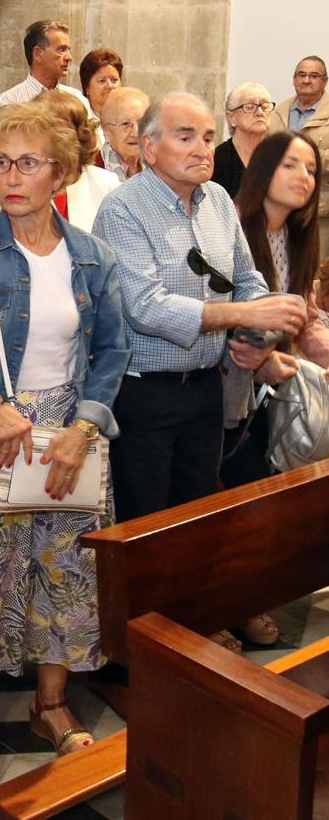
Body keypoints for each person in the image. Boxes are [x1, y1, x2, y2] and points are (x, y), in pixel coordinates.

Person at [0, 101, 129, 781]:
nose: (11, 176)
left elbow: (113, 350)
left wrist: (83, 429)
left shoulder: (92, 257)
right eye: (1, 160)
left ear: (59, 172)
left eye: (28, 163)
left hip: (65, 439)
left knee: (60, 571)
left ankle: (51, 702)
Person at [91, 93, 305, 524]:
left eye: (208, 138)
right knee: (144, 527)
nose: (202, 149)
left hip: (208, 389)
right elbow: (146, 308)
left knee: (198, 521)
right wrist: (242, 317)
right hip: (144, 393)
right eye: (185, 136)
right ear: (149, 148)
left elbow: (248, 282)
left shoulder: (220, 202)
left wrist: (257, 336)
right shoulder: (123, 209)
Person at [221, 130, 329, 649]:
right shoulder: (236, 228)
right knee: (236, 499)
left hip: (276, 388)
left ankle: (253, 597)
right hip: (229, 390)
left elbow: (300, 319)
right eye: (291, 165)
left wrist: (313, 344)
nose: (303, 177)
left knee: (271, 497)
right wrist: (260, 360)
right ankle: (231, 606)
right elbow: (218, 313)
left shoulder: (300, 238)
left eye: (310, 169)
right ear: (264, 170)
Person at [33, 89, 119, 231]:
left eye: (62, 130)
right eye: (43, 128)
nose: (54, 138)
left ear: (81, 134)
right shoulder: (15, 183)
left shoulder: (107, 184)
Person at [270, 56, 329, 259]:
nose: (306, 80)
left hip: (318, 212)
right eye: (301, 75)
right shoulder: (278, 112)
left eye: (313, 76)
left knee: (312, 273)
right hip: (276, 210)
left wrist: (307, 159)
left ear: (325, 81)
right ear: (294, 79)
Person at [0, 20, 91, 115]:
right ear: (37, 53)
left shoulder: (77, 99)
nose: (69, 57)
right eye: (61, 50)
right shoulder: (10, 102)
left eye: (68, 50)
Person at [213, 82, 276, 199]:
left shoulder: (280, 156)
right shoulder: (218, 160)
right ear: (231, 117)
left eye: (264, 106)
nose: (260, 112)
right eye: (250, 107)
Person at [98, 87, 149, 181]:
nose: (135, 133)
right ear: (107, 132)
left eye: (142, 123)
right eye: (125, 124)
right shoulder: (95, 170)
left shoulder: (158, 166)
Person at [78, 48, 122, 120]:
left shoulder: (128, 116)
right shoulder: (78, 120)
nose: (110, 86)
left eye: (114, 80)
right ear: (87, 87)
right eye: (102, 81)